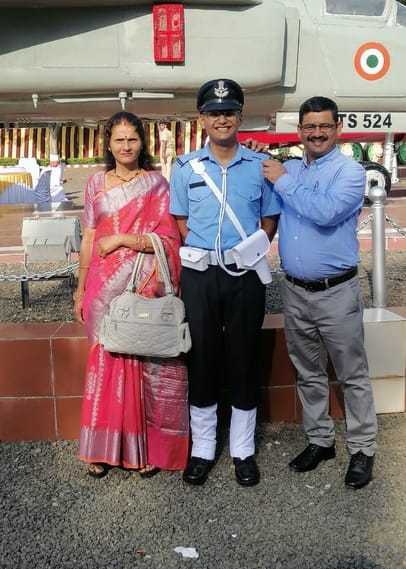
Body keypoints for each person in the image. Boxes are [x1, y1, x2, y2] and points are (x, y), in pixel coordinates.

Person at [262, 96, 377, 489]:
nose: (317, 133)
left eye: (325, 126)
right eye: (309, 126)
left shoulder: (350, 172)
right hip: (294, 291)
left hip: (336, 292)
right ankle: (320, 440)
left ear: (338, 128)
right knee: (308, 371)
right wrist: (263, 158)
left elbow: (326, 212)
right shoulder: (290, 167)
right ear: (299, 130)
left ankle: (362, 448)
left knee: (352, 373)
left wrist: (282, 179)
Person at [169, 78, 280, 486]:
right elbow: (181, 220)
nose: (222, 119)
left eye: (229, 112)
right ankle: (202, 449)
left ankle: (242, 450)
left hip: (244, 275)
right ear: (202, 119)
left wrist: (246, 252)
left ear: (240, 117)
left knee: (244, 356)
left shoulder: (258, 166)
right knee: (201, 357)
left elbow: (269, 218)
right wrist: (208, 255)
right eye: (214, 113)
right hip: (200, 275)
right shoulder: (185, 167)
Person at [73, 111, 189, 479]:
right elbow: (89, 237)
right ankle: (101, 448)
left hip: (144, 284)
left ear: (142, 143)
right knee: (105, 365)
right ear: (108, 144)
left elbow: (169, 239)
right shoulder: (96, 184)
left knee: (144, 369)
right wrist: (80, 290)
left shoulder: (156, 185)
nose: (126, 146)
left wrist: (123, 239)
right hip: (102, 290)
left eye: (132, 139)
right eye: (119, 139)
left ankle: (143, 449)